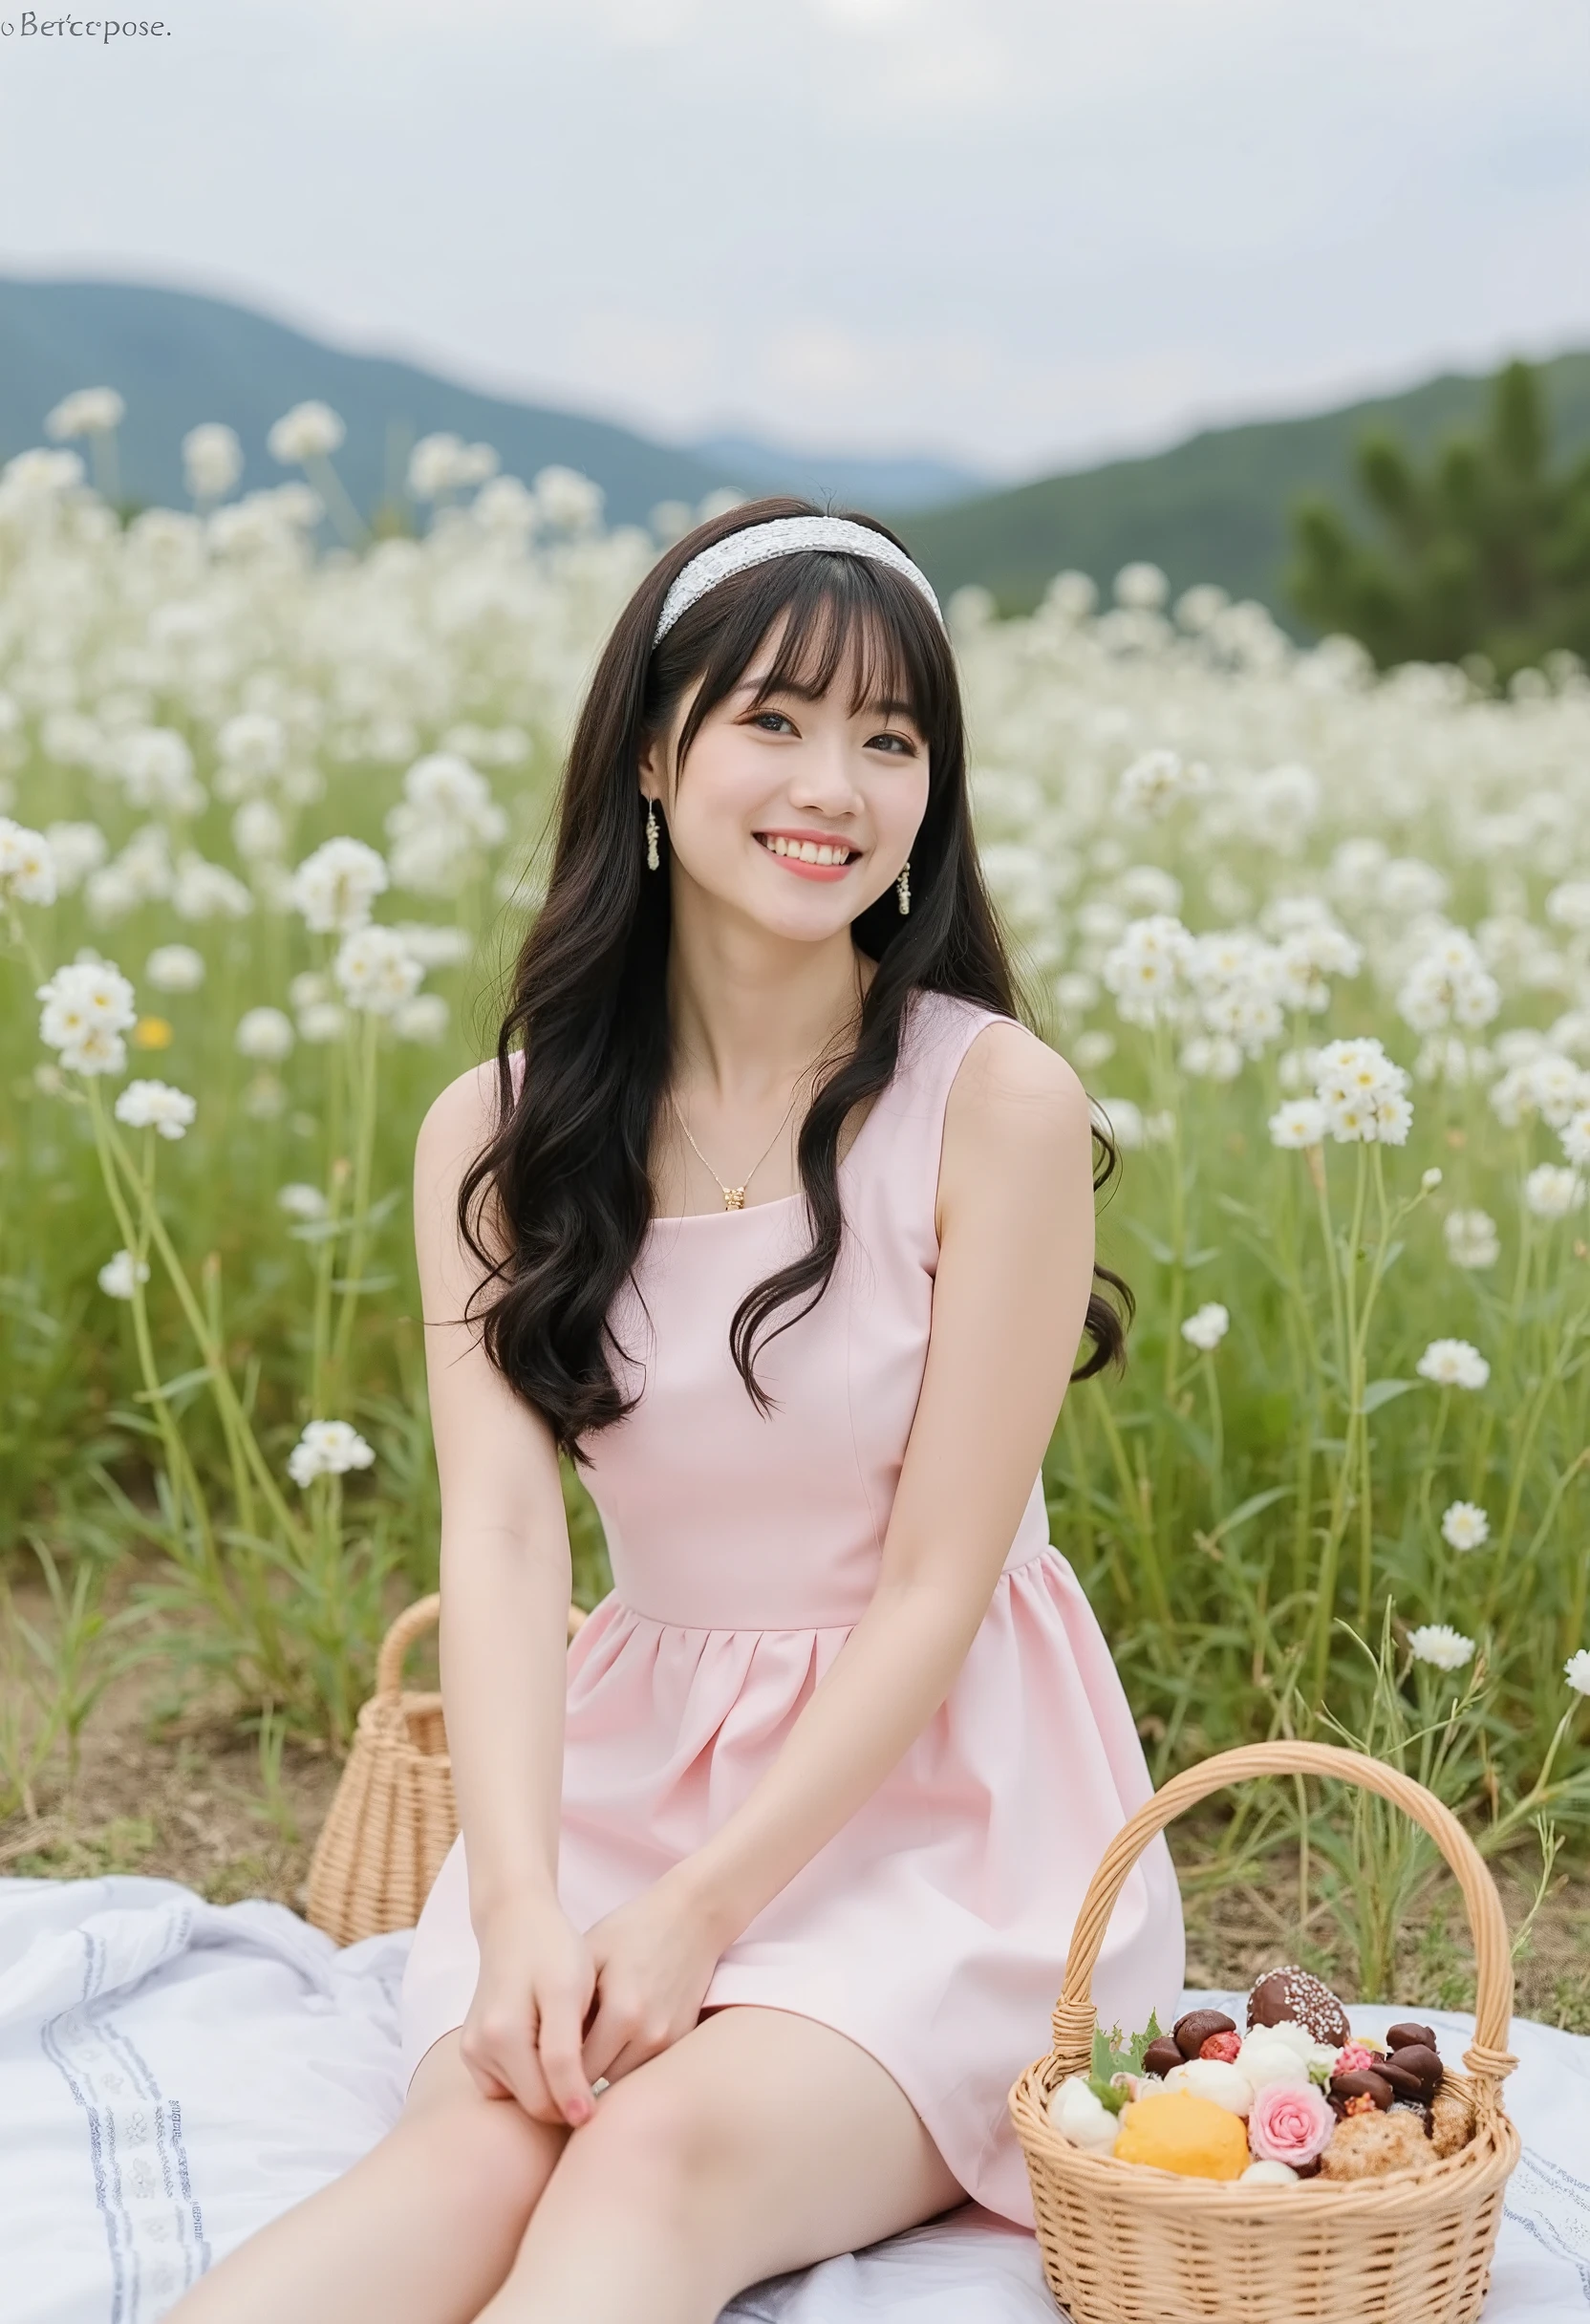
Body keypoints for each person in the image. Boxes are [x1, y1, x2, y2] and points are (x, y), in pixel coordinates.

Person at [169, 498, 1184, 2324]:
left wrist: (706, 1913)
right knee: (478, 2144)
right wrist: (521, 1911)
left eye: (892, 740)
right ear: (652, 748)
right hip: (629, 1773)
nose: (837, 785)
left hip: (947, 1815)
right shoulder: (497, 1130)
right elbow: (496, 1533)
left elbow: (940, 1586)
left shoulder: (994, 1107)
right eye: (776, 721)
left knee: (650, 2152)